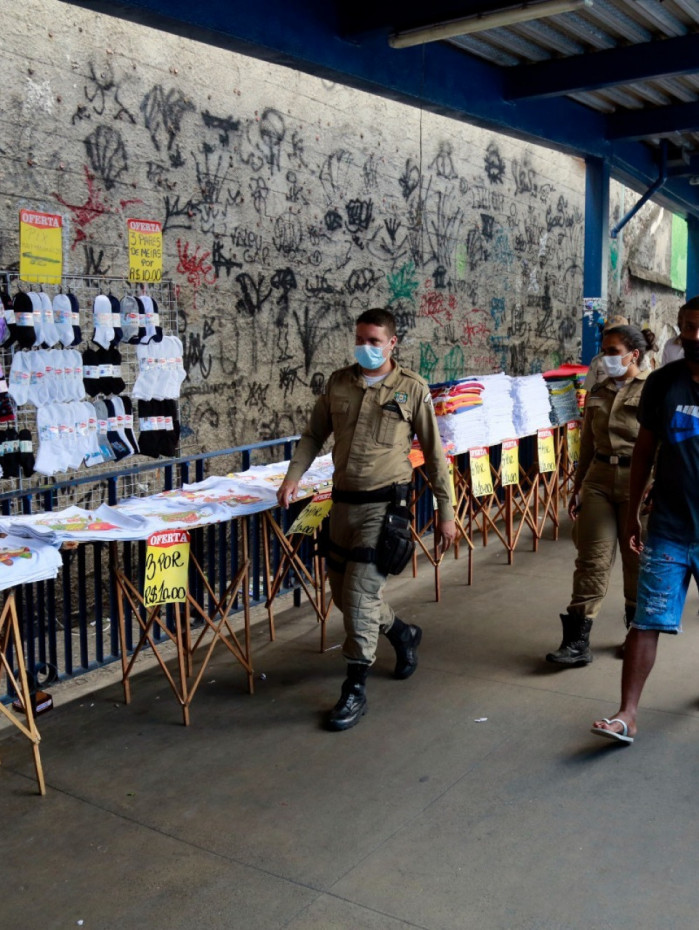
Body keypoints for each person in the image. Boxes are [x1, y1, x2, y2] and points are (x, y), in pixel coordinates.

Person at [277, 307, 456, 731]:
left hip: (384, 509)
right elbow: (313, 434)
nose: (365, 347)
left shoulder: (412, 389)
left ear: (392, 344)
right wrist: (293, 477)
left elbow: (433, 454)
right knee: (343, 596)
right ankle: (403, 634)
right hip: (341, 506)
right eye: (360, 339)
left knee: (357, 600)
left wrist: (446, 512)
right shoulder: (340, 382)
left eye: (374, 341)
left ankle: (354, 687)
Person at [591, 296, 699, 745]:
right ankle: (627, 714)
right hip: (669, 527)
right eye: (688, 327)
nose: (694, 337)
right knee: (647, 620)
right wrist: (634, 511)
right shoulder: (663, 383)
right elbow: (643, 452)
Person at [546, 324, 657, 667]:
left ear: (632, 355)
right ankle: (577, 642)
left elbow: (664, 442)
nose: (605, 358)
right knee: (591, 560)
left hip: (639, 483)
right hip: (598, 480)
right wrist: (578, 486)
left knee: (636, 561)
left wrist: (660, 485)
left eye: (612, 352)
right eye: (605, 351)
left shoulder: (654, 389)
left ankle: (635, 635)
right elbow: (588, 444)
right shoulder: (599, 390)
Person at [583, 315, 629, 391]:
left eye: (616, 334)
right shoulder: (597, 361)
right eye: (608, 334)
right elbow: (589, 392)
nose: (611, 338)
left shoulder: (637, 360)